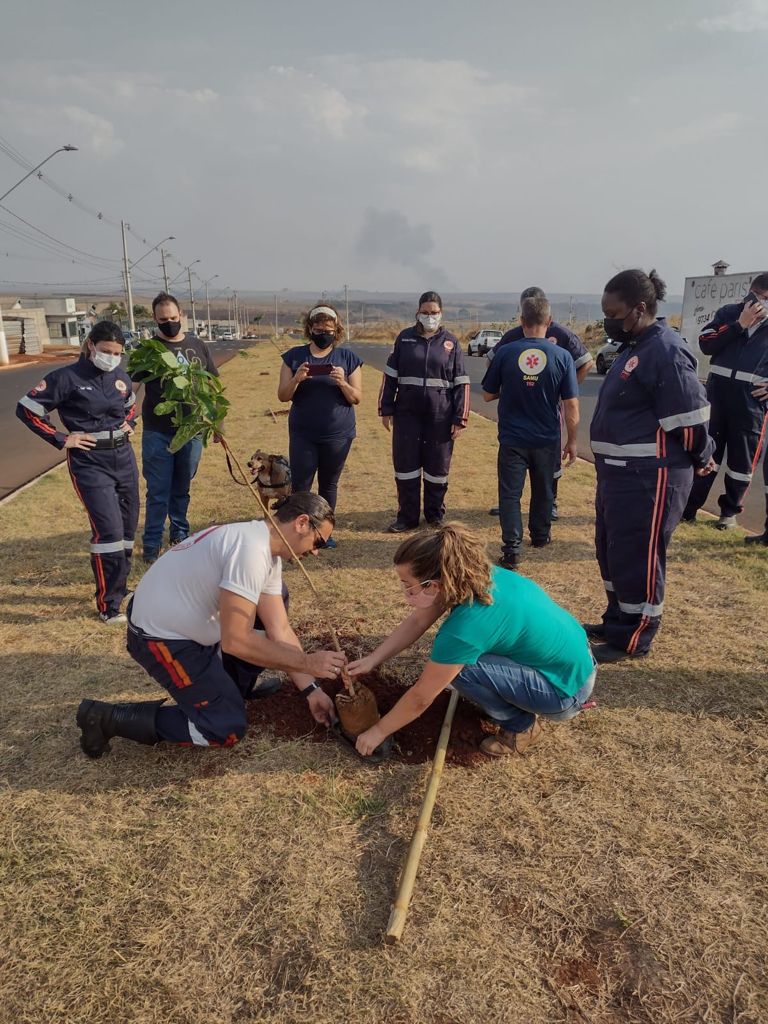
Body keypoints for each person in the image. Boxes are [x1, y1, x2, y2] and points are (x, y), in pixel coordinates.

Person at [76, 493, 347, 758]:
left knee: (275, 604)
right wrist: (308, 663)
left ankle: (229, 691)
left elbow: (279, 630)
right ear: (301, 523)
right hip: (159, 638)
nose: (315, 552)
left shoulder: (264, 548)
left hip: (185, 625)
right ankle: (107, 718)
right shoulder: (250, 552)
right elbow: (236, 641)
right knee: (224, 727)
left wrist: (311, 689)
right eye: (318, 542)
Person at [347, 524, 596, 759]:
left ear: (434, 585)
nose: (407, 595)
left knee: (461, 669)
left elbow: (421, 697)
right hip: (578, 663)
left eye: (408, 586)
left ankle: (520, 727)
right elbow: (418, 621)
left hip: (564, 693)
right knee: (458, 661)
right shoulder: (477, 575)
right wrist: (373, 659)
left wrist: (378, 731)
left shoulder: (463, 629)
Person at [587, 269, 715, 663]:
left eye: (615, 313)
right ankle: (617, 618)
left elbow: (689, 418)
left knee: (639, 555)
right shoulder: (633, 345)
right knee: (612, 551)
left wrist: (703, 456)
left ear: (640, 308)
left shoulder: (665, 350)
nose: (608, 320)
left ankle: (635, 636)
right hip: (617, 474)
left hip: (651, 477)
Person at [15, 320, 138, 624]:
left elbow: (131, 406)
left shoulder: (120, 377)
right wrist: (61, 438)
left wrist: (129, 423)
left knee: (126, 530)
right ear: (90, 346)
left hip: (123, 457)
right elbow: (27, 409)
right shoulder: (65, 378)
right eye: (106, 351)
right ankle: (109, 605)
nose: (111, 357)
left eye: (117, 353)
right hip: (89, 461)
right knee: (108, 531)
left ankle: (121, 588)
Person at [481, 294, 579, 569]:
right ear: (549, 321)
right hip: (547, 437)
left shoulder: (505, 352)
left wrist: (512, 387)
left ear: (521, 320)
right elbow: (570, 404)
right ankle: (540, 536)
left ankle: (512, 548)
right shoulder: (562, 356)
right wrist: (572, 440)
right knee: (544, 490)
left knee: (510, 494)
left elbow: (487, 395)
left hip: (512, 438)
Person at [488, 286, 594, 518]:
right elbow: (491, 365)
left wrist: (567, 389)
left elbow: (586, 362)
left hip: (547, 409)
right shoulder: (512, 335)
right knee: (514, 460)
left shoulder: (561, 334)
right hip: (517, 411)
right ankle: (510, 504)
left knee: (549, 460)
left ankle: (550, 504)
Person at [130, 292, 220, 564]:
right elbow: (131, 387)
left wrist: (218, 424)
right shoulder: (149, 351)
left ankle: (180, 534)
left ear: (182, 316)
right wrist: (124, 414)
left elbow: (211, 386)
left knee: (182, 487)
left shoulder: (197, 345)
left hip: (191, 430)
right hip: (158, 431)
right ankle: (152, 544)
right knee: (158, 490)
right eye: (163, 319)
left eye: (173, 317)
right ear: (155, 320)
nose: (169, 323)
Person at [379, 291, 470, 532]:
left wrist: (460, 417)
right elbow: (390, 376)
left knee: (437, 469)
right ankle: (407, 516)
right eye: (425, 312)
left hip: (440, 416)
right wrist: (386, 408)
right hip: (407, 415)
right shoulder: (404, 339)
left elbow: (462, 382)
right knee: (406, 466)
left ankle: (435, 515)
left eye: (434, 313)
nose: (430, 317)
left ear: (441, 314)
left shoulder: (451, 343)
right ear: (418, 313)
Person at [682, 273, 768, 530]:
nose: (759, 303)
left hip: (751, 405)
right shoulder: (729, 313)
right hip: (717, 397)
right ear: (750, 294)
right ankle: (688, 507)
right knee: (706, 453)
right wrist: (739, 325)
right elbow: (706, 343)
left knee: (742, 463)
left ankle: (728, 513)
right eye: (757, 297)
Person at [277, 303, 362, 548]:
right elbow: (282, 396)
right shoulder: (294, 356)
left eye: (328, 328)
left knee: (329, 484)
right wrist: (296, 379)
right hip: (304, 433)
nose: (323, 333)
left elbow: (357, 397)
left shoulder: (348, 358)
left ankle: (324, 534)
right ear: (309, 329)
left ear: (337, 330)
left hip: (338, 434)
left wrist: (342, 383)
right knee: (302, 483)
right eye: (317, 328)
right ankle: (296, 534)